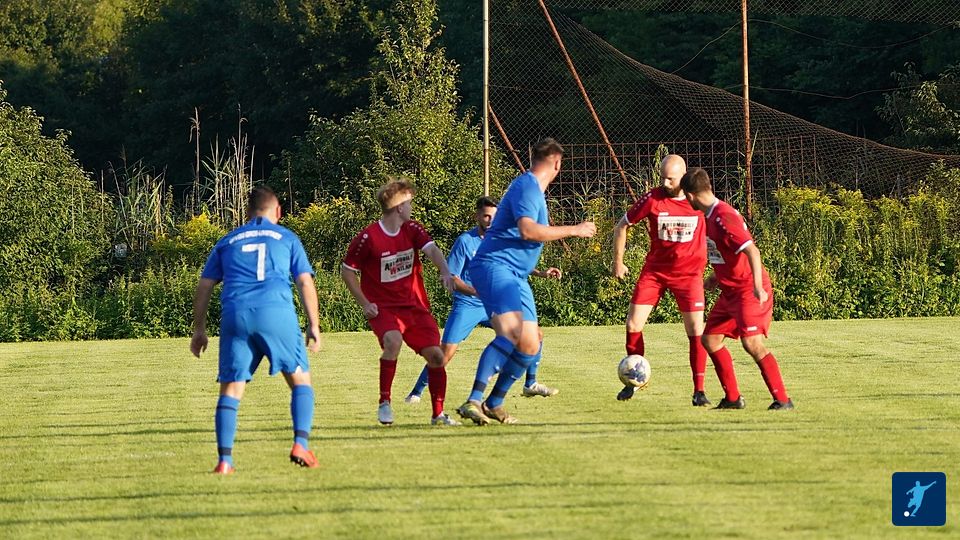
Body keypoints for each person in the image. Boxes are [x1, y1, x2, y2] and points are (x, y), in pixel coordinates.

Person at [456, 138, 596, 425]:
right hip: (496, 267)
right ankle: (473, 400)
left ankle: (494, 403)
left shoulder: (533, 190)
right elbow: (528, 231)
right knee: (511, 334)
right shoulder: (527, 187)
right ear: (557, 163)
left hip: (515, 276)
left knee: (531, 343)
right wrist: (575, 229)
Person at [190, 186, 322, 475]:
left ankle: (225, 461)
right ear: (278, 212)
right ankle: (300, 444)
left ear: (248, 213)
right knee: (300, 381)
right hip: (276, 313)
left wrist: (199, 329)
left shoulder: (228, 241)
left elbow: (205, 285)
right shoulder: (287, 237)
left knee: (231, 389)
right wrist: (314, 324)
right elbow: (304, 281)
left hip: (236, 315)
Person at [404, 197, 561, 404]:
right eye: (486, 216)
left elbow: (513, 263)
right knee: (445, 353)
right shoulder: (465, 241)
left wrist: (541, 273)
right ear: (477, 216)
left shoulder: (500, 239)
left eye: (495, 217)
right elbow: (452, 278)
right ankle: (416, 393)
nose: (491, 221)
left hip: (495, 304)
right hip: (468, 304)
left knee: (535, 334)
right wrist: (476, 292)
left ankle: (530, 384)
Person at [340, 178, 460, 426]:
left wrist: (445, 271)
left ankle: (438, 415)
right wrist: (364, 303)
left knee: (437, 357)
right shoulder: (368, 237)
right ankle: (384, 402)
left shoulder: (412, 229)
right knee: (393, 341)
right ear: (399, 207)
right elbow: (347, 271)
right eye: (409, 202)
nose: (411, 207)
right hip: (383, 307)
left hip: (414, 306)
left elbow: (432, 250)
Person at [679, 167, 794, 410]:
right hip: (730, 291)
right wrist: (715, 277)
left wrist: (757, 287)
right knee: (710, 339)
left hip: (747, 290)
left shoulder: (723, 216)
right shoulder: (710, 216)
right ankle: (733, 398)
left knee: (751, 343)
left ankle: (783, 400)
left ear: (690, 195)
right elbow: (729, 254)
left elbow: (752, 251)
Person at [611, 154, 711, 406]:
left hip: (689, 276)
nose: (665, 183)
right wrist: (618, 262)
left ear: (684, 177)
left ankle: (699, 391)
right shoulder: (653, 198)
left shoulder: (698, 200)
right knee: (633, 324)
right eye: (662, 178)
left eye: (671, 179)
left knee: (696, 331)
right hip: (655, 273)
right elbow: (622, 225)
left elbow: (720, 226)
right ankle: (634, 381)